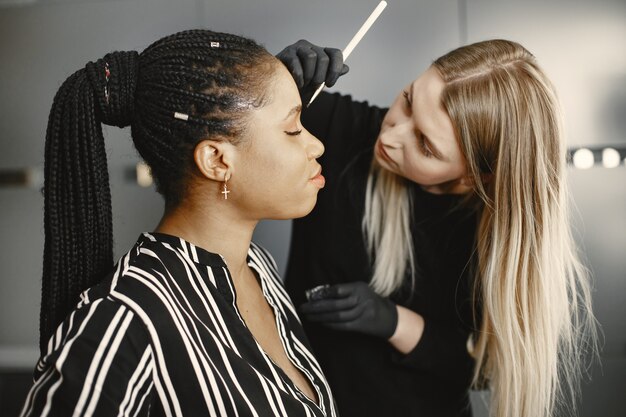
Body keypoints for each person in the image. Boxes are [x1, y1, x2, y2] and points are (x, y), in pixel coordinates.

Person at [20, 30, 340, 417]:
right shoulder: (125, 322)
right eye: (292, 129)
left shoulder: (259, 268)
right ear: (217, 161)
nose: (316, 145)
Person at [277, 39, 597, 417]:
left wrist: (394, 321)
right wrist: (276, 81)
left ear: (475, 177)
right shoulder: (345, 130)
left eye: (426, 146)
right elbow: (218, 117)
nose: (390, 136)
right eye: (408, 101)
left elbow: (484, 370)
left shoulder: (493, 231)